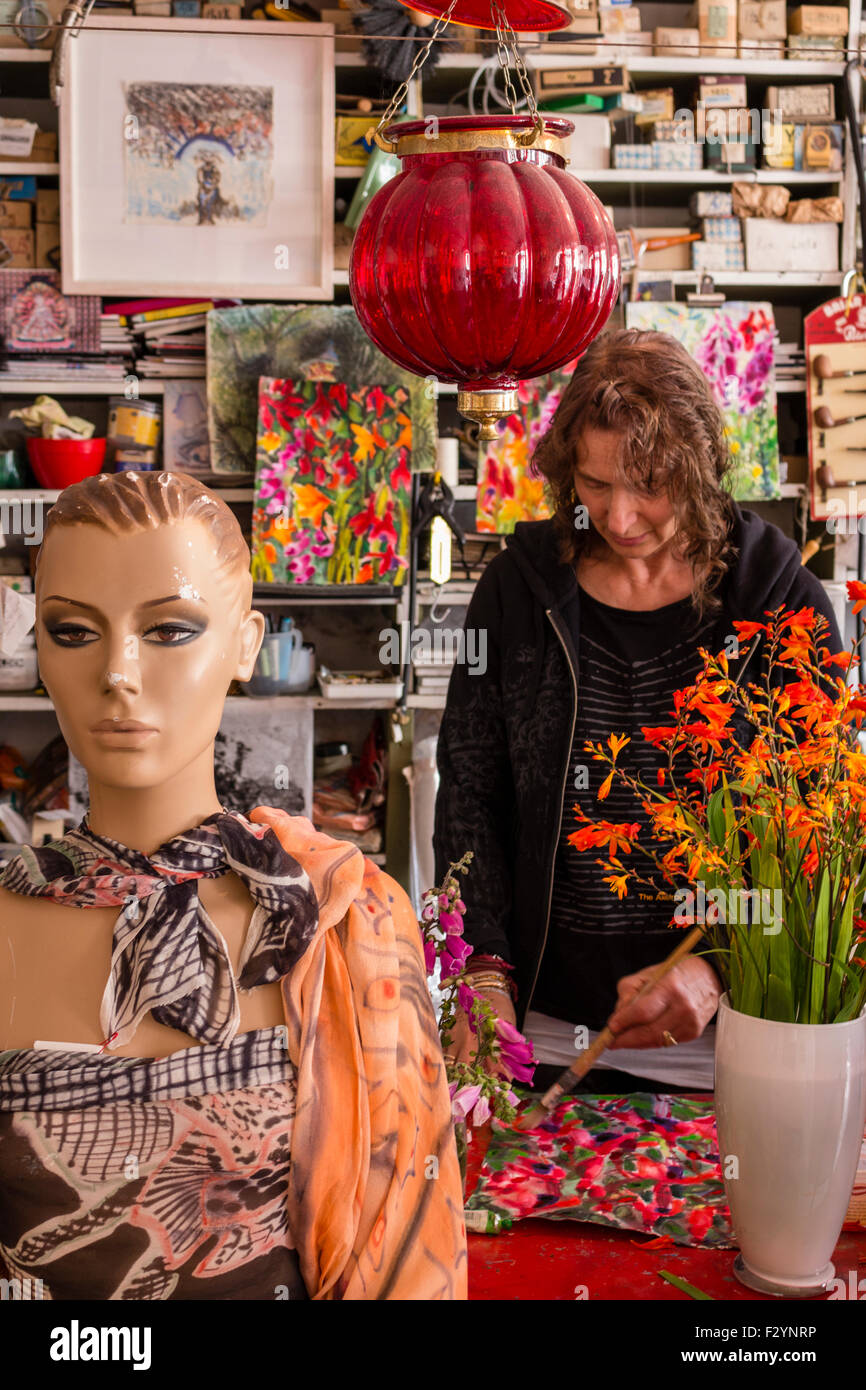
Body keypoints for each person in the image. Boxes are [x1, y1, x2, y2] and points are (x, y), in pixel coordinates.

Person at [0, 469, 465, 1301]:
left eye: (170, 629)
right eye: (73, 633)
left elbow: (406, 1264)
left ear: (247, 644)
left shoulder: (347, 925)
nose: (119, 674)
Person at [434, 328, 842, 1095]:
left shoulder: (777, 597)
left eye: (648, 483)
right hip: (542, 1030)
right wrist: (482, 967)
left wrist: (718, 966)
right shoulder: (517, 593)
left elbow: (820, 821)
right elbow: (469, 793)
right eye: (593, 485)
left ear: (697, 469)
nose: (619, 518)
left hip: (738, 1037)